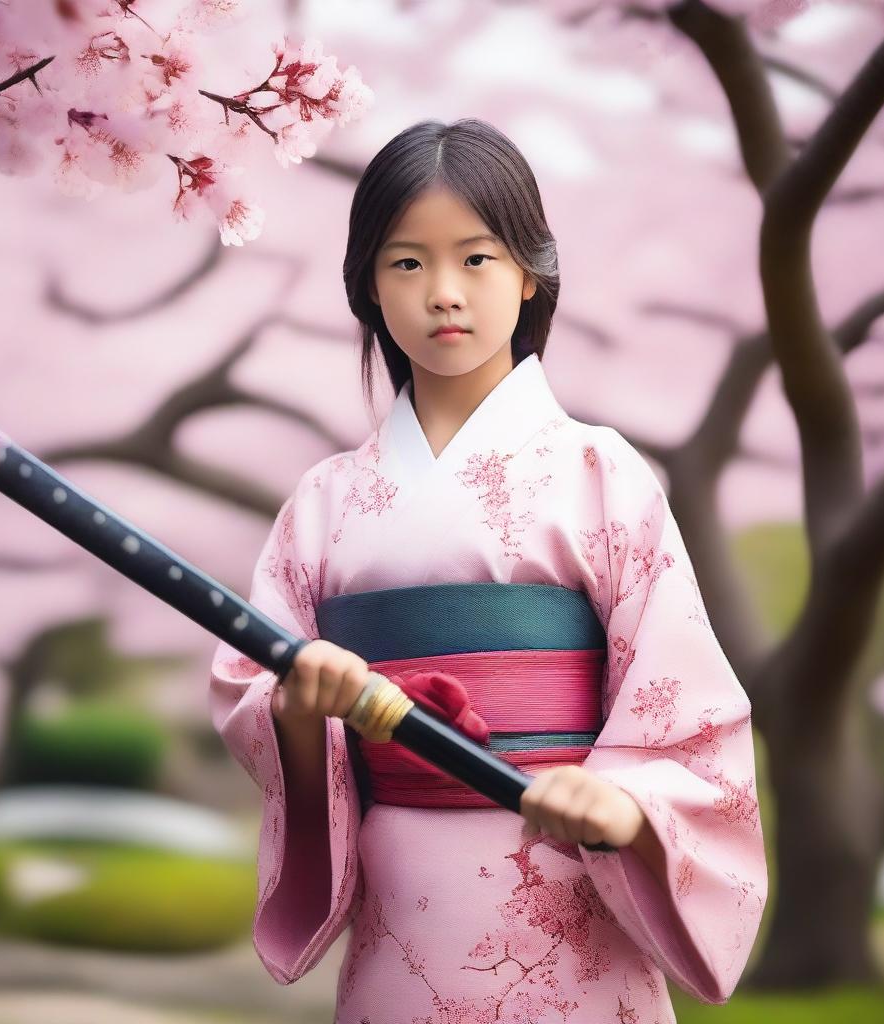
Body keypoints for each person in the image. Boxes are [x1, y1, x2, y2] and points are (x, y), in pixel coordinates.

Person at [209, 117, 767, 1023]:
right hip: (404, 897)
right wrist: (299, 708)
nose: (442, 293)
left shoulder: (600, 472)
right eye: (406, 263)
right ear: (367, 289)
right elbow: (252, 683)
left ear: (531, 272)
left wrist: (625, 803)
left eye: (476, 259)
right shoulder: (324, 501)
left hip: (568, 885)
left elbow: (685, 703)